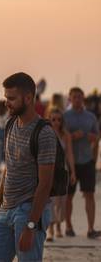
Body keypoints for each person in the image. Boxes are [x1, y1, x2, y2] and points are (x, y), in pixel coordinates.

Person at [0, 72, 57, 262]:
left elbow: (45, 184)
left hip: (28, 211)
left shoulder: (44, 133)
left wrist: (31, 225)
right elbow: (9, 169)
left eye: (11, 98)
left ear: (28, 98)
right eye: (5, 97)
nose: (6, 103)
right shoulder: (10, 124)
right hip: (5, 211)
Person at [63, 87, 101, 239]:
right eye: (74, 97)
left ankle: (91, 229)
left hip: (87, 161)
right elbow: (60, 137)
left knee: (89, 195)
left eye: (80, 96)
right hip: (70, 162)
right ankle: (68, 226)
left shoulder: (91, 117)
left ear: (83, 98)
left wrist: (93, 139)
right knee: (68, 196)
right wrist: (71, 136)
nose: (78, 99)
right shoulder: (64, 117)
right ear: (70, 99)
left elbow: (97, 137)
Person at [46, 109, 77, 241]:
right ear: (49, 120)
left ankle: (59, 226)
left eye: (59, 119)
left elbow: (69, 154)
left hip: (62, 170)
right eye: (53, 119)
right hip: (48, 170)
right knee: (50, 200)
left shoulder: (66, 135)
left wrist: (73, 172)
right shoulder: (46, 134)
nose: (56, 122)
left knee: (61, 200)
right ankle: (51, 229)